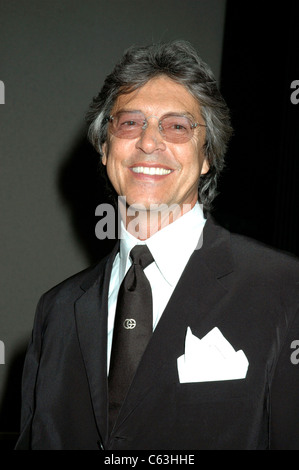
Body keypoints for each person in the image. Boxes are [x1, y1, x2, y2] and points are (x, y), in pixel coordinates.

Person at [15, 40, 299, 450]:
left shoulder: (284, 290)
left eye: (177, 126)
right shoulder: (56, 311)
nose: (149, 142)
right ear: (104, 147)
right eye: (130, 123)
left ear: (206, 156)